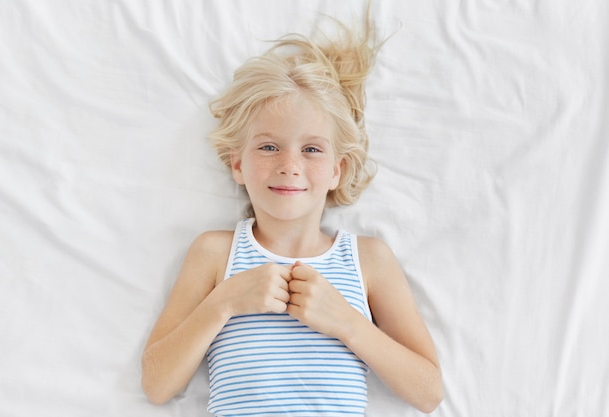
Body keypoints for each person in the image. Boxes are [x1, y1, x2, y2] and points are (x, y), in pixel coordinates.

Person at [142, 9, 443, 416]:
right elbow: (157, 385)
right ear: (237, 164)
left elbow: (428, 393)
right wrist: (225, 302)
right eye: (268, 147)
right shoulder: (215, 254)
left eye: (312, 149)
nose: (290, 165)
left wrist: (347, 322)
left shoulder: (369, 260)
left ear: (338, 170)